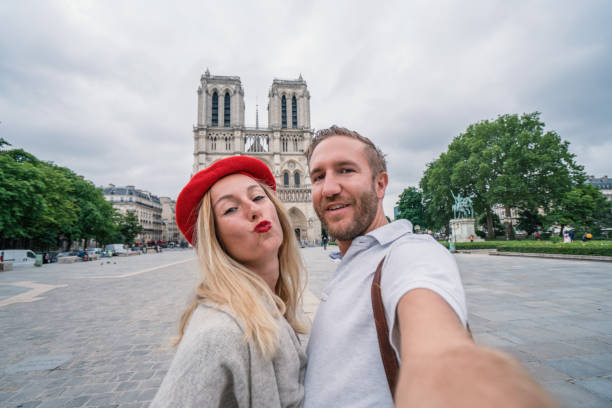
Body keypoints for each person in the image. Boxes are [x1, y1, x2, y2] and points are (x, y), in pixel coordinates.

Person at [303, 126, 557, 407]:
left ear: (380, 184)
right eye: (318, 176)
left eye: (346, 170)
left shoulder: (410, 254)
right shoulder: (351, 259)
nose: (328, 188)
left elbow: (440, 356)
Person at [150, 156, 308, 407]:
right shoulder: (219, 331)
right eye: (230, 209)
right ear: (215, 237)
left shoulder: (269, 306)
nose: (253, 210)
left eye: (257, 197)